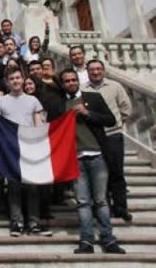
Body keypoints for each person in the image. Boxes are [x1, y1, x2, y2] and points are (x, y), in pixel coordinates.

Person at [58, 69, 126, 255]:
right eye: (67, 81)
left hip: (97, 155)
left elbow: (110, 120)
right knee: (82, 202)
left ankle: (108, 239)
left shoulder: (93, 98)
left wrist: (88, 113)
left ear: (78, 81)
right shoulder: (61, 104)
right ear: (62, 84)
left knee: (101, 200)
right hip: (76, 158)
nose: (71, 83)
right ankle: (86, 240)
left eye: (73, 80)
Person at [0, 67, 48, 236]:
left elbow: (38, 124)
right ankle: (16, 222)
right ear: (7, 81)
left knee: (32, 188)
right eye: (12, 78)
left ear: (23, 79)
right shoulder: (0, 102)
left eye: (18, 78)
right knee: (14, 188)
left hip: (30, 148)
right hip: (10, 150)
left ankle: (33, 222)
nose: (16, 81)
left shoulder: (33, 101)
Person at [82, 59, 133, 222]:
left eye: (98, 69)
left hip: (113, 135)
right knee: (100, 173)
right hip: (95, 137)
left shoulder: (115, 86)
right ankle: (105, 207)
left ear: (103, 70)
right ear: (87, 71)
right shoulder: (83, 89)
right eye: (92, 70)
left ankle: (121, 207)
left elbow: (126, 108)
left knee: (117, 172)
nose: (95, 72)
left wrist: (117, 124)